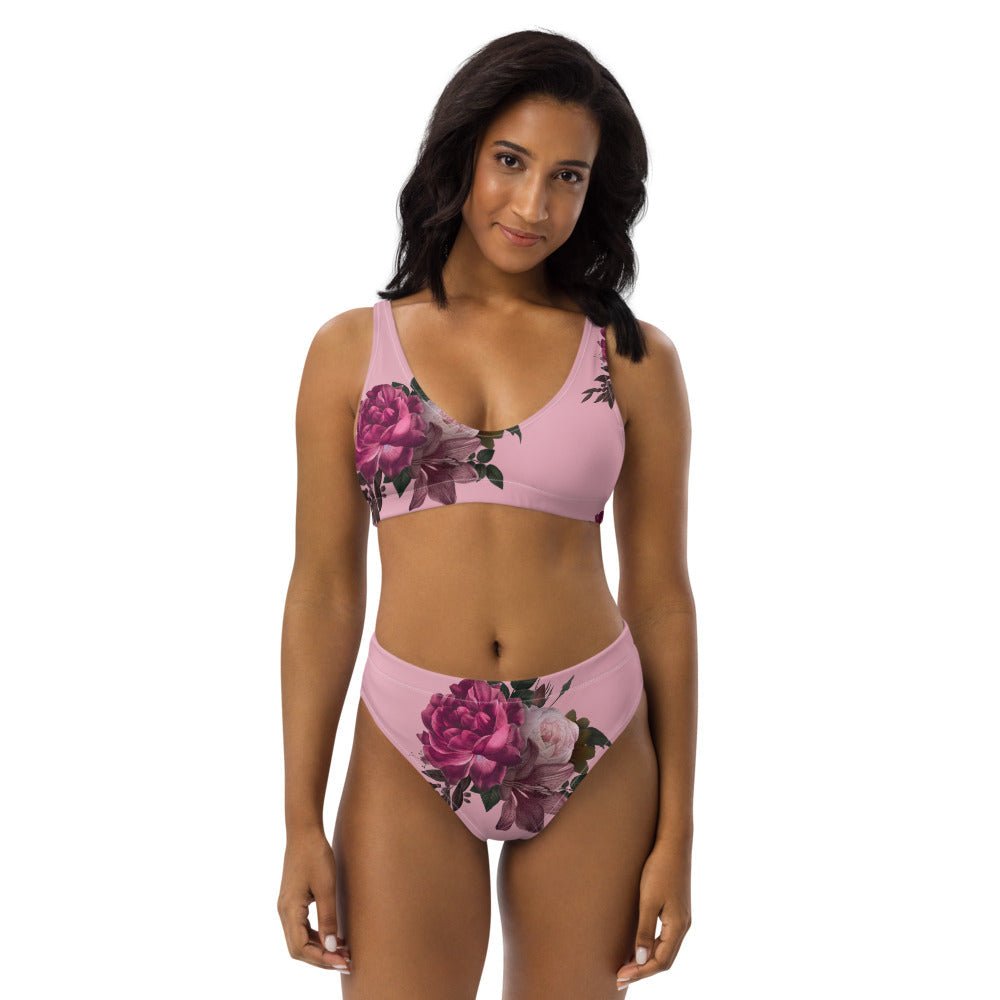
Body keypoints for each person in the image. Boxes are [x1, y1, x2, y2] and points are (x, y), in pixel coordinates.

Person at [276, 29, 697, 998]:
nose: (533, 205)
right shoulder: (349, 352)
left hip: (591, 729)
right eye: (510, 161)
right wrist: (300, 818)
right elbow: (324, 590)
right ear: (460, 152)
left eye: (567, 177)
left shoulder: (633, 360)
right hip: (407, 728)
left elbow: (662, 596)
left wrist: (678, 831)